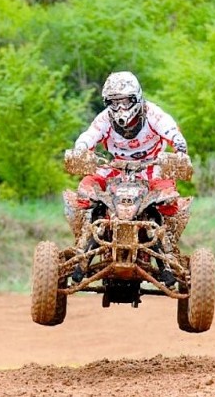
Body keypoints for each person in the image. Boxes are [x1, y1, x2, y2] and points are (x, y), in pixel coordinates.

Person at [70, 71, 190, 285]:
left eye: (125, 101)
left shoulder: (152, 113)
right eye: (114, 103)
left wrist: (180, 149)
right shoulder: (105, 118)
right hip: (116, 167)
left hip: (152, 166)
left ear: (136, 98)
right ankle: (82, 245)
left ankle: (168, 251)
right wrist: (80, 149)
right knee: (85, 191)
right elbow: (90, 134)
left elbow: (171, 130)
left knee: (168, 199)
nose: (120, 109)